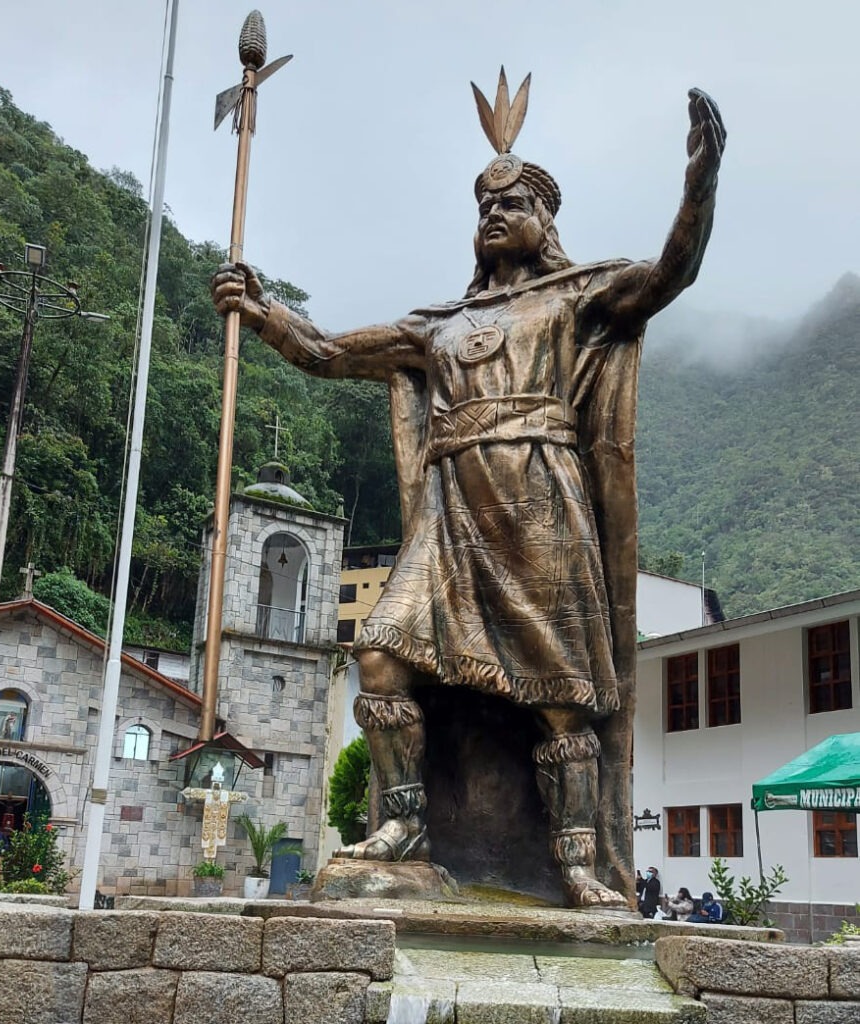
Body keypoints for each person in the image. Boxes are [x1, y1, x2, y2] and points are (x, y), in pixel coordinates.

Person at [212, 77, 724, 908]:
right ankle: (407, 826)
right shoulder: (436, 324)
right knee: (379, 654)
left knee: (562, 701)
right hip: (452, 521)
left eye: (513, 201)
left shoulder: (576, 297)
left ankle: (580, 864)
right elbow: (330, 350)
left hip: (542, 506)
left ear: (544, 220)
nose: (494, 213)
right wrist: (262, 310)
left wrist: (701, 179)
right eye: (484, 203)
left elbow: (672, 272)